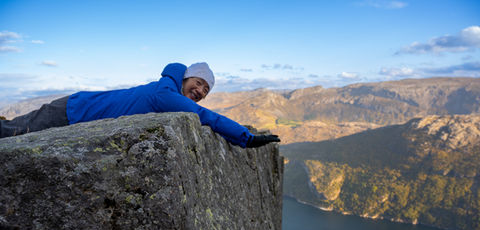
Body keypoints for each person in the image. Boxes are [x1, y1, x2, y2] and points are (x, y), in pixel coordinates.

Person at [0, 62, 280, 148]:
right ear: (185, 78)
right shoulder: (167, 96)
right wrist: (247, 138)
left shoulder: (166, 89)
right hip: (73, 110)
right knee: (12, 134)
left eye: (206, 90)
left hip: (76, 108)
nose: (200, 91)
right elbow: (205, 116)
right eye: (198, 83)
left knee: (12, 130)